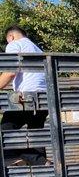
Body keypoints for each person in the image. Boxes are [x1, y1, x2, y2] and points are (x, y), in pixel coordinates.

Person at [0, 26, 48, 165]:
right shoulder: (38, 49)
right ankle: (46, 176)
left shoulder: (14, 45)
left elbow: (10, 72)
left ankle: (40, 162)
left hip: (26, 98)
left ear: (11, 37)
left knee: (4, 135)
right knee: (37, 138)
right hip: (44, 99)